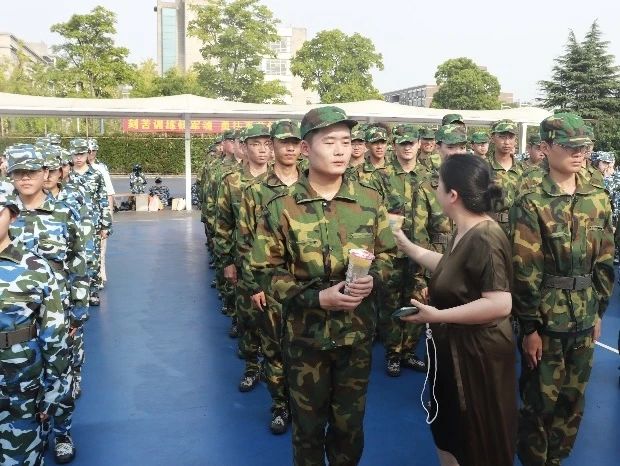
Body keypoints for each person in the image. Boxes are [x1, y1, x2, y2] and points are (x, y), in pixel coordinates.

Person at [251, 106, 395, 465]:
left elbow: (389, 256)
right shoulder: (281, 207)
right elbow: (265, 270)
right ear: (306, 149)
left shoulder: (369, 201)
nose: (340, 150)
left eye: (346, 141)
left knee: (349, 428)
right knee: (308, 428)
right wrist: (315, 297)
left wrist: (373, 280)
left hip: (355, 337)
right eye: (329, 142)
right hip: (306, 339)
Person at [394, 154, 517, 466]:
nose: (435, 190)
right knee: (451, 432)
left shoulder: (485, 237)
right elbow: (451, 268)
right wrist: (407, 246)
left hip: (477, 358)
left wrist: (438, 316)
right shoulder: (464, 229)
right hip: (456, 351)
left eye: (439, 184)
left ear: (452, 195)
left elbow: (500, 303)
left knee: (475, 439)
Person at [511, 113, 614, 466]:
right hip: (546, 319)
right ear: (545, 148)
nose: (579, 153)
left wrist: (598, 312)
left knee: (572, 399)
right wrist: (529, 328)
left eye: (583, 146)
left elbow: (605, 259)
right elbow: (525, 269)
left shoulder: (597, 196)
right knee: (539, 402)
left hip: (584, 315)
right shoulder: (531, 200)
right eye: (570, 147)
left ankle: (556, 459)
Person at [239, 119, 302, 434]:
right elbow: (245, 240)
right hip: (271, 285)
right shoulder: (256, 191)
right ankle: (280, 405)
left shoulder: (313, 186)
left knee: (306, 349)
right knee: (274, 348)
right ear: (273, 147)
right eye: (283, 142)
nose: (289, 148)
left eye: (294, 142)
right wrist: (254, 285)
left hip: (307, 286)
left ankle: (305, 404)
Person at [0, 189, 70, 466]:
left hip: (20, 386)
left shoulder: (35, 269)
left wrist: (53, 391)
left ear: (12, 215)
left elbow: (55, 334)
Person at [215, 123, 271, 390]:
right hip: (245, 263)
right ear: (244, 148)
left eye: (266, 144)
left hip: (276, 266)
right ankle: (251, 366)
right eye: (255, 144)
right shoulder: (232, 181)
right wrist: (227, 262)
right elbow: (223, 223)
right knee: (248, 319)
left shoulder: (284, 180)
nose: (262, 150)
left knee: (277, 321)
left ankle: (275, 370)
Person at [376, 128, 429, 376]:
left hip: (421, 250)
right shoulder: (382, 176)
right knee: (390, 302)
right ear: (394, 145)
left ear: (418, 144)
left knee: (417, 300)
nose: (407, 147)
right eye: (402, 143)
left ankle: (408, 351)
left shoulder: (429, 176)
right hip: (391, 250)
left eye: (411, 143)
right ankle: (393, 353)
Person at [68, 139, 112, 307]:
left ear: (87, 154)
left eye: (81, 154)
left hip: (92, 223)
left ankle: (93, 290)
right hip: (70, 223)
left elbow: (103, 201)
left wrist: (105, 225)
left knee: (92, 257)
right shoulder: (66, 175)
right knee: (71, 256)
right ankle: (73, 291)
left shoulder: (96, 174)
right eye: (75, 154)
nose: (78, 158)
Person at [486, 119, 524, 237]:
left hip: (519, 230)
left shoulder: (524, 169)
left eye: (511, 137)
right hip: (490, 229)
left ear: (515, 140)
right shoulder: (482, 167)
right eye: (502, 137)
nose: (507, 142)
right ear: (492, 138)